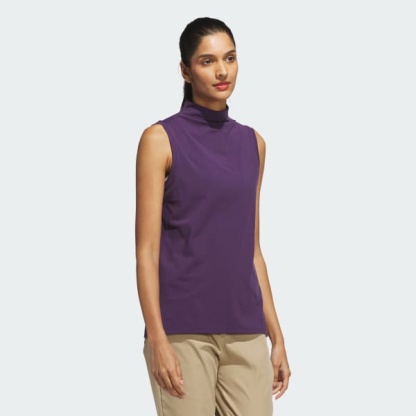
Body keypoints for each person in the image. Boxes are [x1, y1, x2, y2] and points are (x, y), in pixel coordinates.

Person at [135, 16, 291, 416]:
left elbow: (252, 251)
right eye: (208, 61)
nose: (222, 71)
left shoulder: (253, 144)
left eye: (230, 58)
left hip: (245, 331)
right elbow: (146, 251)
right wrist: (158, 339)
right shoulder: (160, 140)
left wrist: (276, 336)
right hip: (182, 331)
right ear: (186, 70)